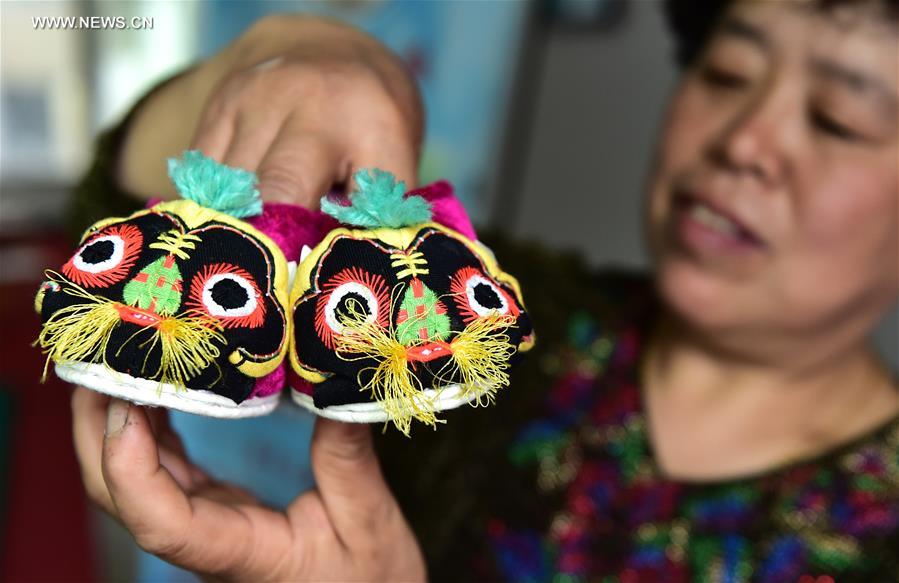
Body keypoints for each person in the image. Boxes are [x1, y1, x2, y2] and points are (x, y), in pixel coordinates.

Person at [69, 1, 898, 581]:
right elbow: (113, 197)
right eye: (725, 72)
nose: (743, 140)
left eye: (838, 119)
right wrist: (286, 56)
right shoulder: (479, 318)